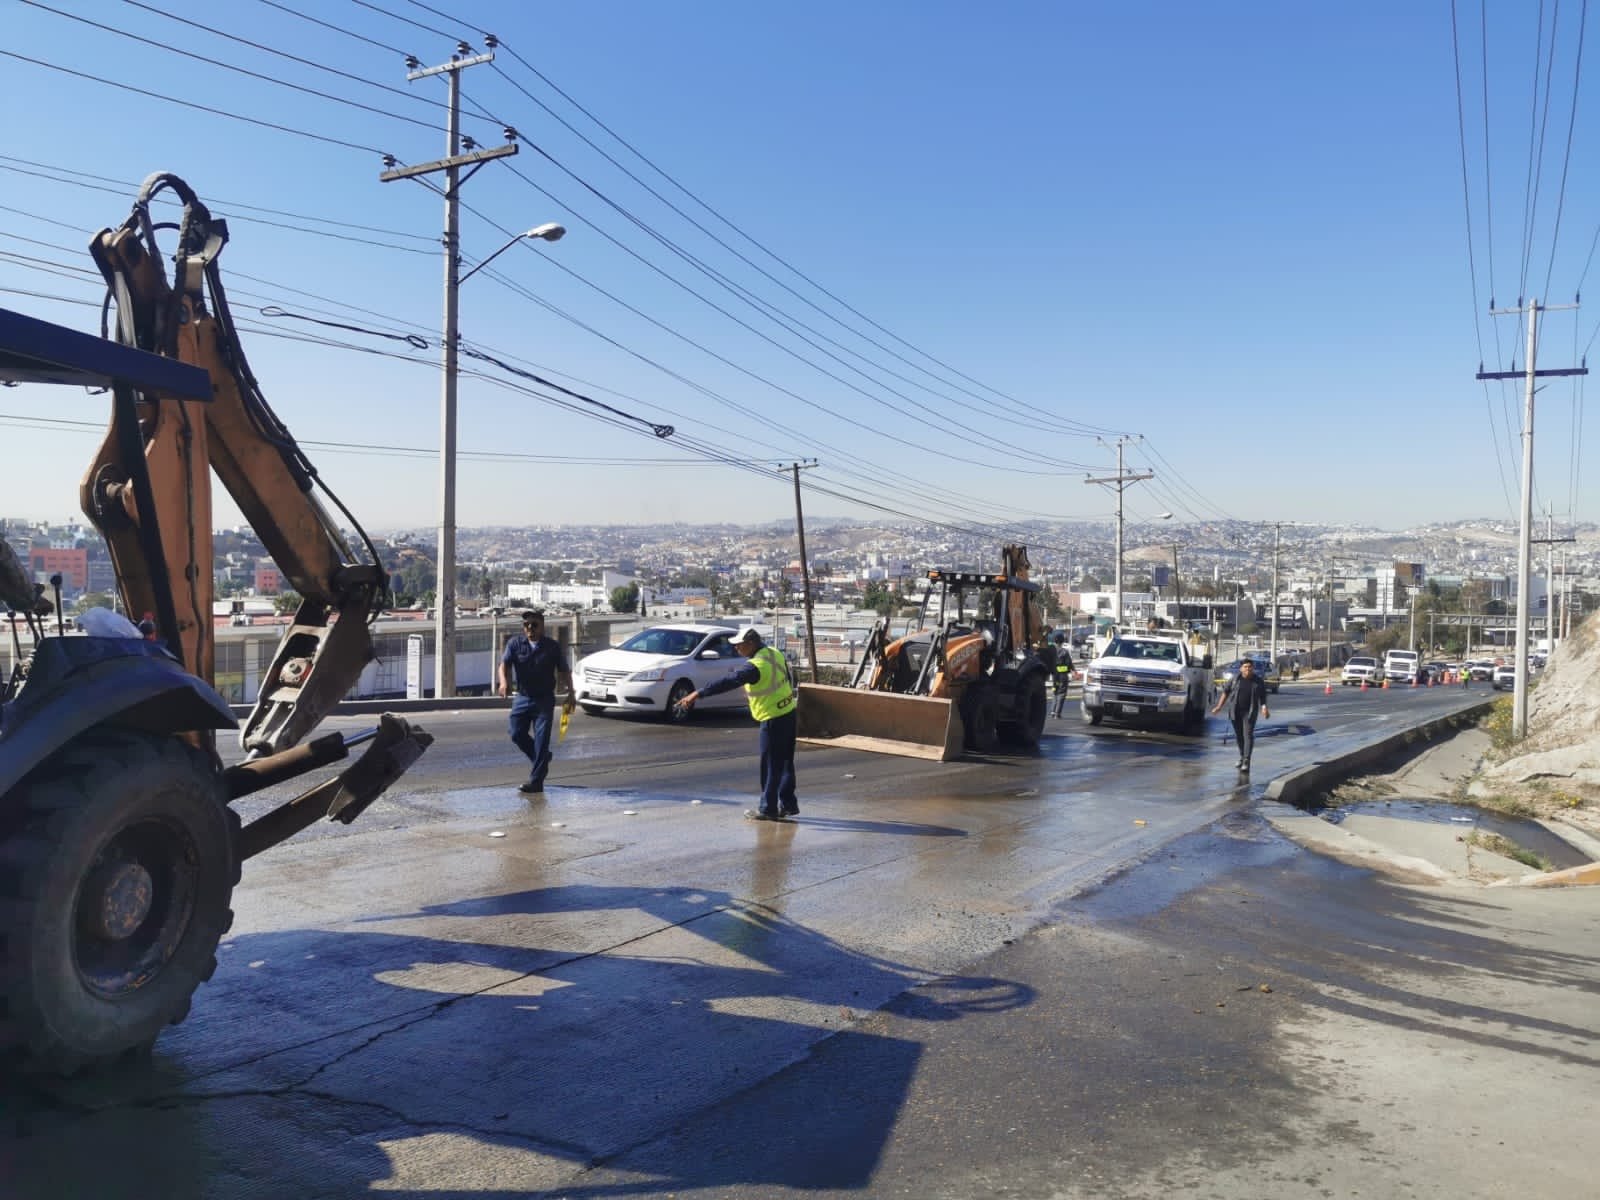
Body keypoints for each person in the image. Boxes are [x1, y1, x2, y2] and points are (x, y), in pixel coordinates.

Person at [677, 626, 799, 822]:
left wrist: (697, 693)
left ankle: (768, 808)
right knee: (785, 763)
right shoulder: (773, 653)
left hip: (772, 718)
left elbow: (727, 681)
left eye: (739, 646)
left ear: (751, 644)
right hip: (788, 712)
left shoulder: (755, 666)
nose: (736, 649)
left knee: (769, 766)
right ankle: (788, 804)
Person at [497, 610, 575, 795]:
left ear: (542, 626)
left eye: (534, 625)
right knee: (516, 733)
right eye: (526, 625)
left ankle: (536, 781)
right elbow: (504, 664)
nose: (530, 628)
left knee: (542, 740)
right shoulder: (515, 644)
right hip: (523, 698)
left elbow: (564, 671)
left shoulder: (552, 647)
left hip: (544, 700)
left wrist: (571, 693)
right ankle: (542, 759)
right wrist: (503, 682)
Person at [1211, 656, 1270, 772]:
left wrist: (1264, 708)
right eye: (1245, 667)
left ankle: (1247, 760)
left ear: (1252, 668)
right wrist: (1219, 706)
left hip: (1250, 712)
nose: (1248, 669)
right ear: (1241, 668)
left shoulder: (1258, 681)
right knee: (1239, 736)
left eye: (1250, 667)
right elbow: (1225, 692)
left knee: (1247, 735)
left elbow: (1263, 696)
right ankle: (1242, 757)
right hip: (1235, 712)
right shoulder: (1235, 679)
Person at [1050, 631, 1073, 717]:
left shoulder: (1051, 651)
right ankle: (1057, 713)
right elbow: (1069, 664)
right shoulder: (1064, 652)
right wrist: (1072, 671)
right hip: (1062, 676)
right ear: (1062, 641)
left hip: (1054, 676)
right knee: (1062, 693)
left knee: (1054, 692)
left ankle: (1052, 711)